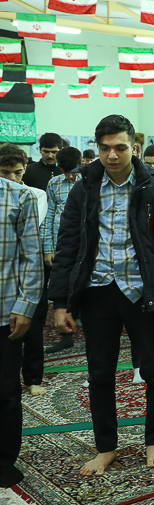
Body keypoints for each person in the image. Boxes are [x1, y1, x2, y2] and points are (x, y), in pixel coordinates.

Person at [49, 114, 154, 476]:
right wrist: (60, 303)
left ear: (134, 147)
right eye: (105, 148)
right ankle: (106, 447)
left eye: (120, 147)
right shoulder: (84, 188)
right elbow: (68, 246)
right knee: (100, 373)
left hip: (142, 291)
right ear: (97, 149)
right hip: (98, 291)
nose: (112, 155)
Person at [0, 173, 43, 488]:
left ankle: (3, 461)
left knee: (5, 392)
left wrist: (25, 305)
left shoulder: (18, 196)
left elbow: (31, 256)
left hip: (5, 311)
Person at [0, 145, 48, 395]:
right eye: (5, 172)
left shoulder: (29, 195)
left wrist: (25, 301)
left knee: (33, 328)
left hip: (17, 285)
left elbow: (31, 249)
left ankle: (33, 378)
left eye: (16, 173)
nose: (11, 178)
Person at [41, 147, 83, 354]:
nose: (70, 176)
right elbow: (49, 216)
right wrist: (48, 248)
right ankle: (66, 336)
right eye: (66, 172)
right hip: (62, 245)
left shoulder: (89, 182)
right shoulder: (54, 184)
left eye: (73, 171)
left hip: (84, 244)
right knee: (62, 287)